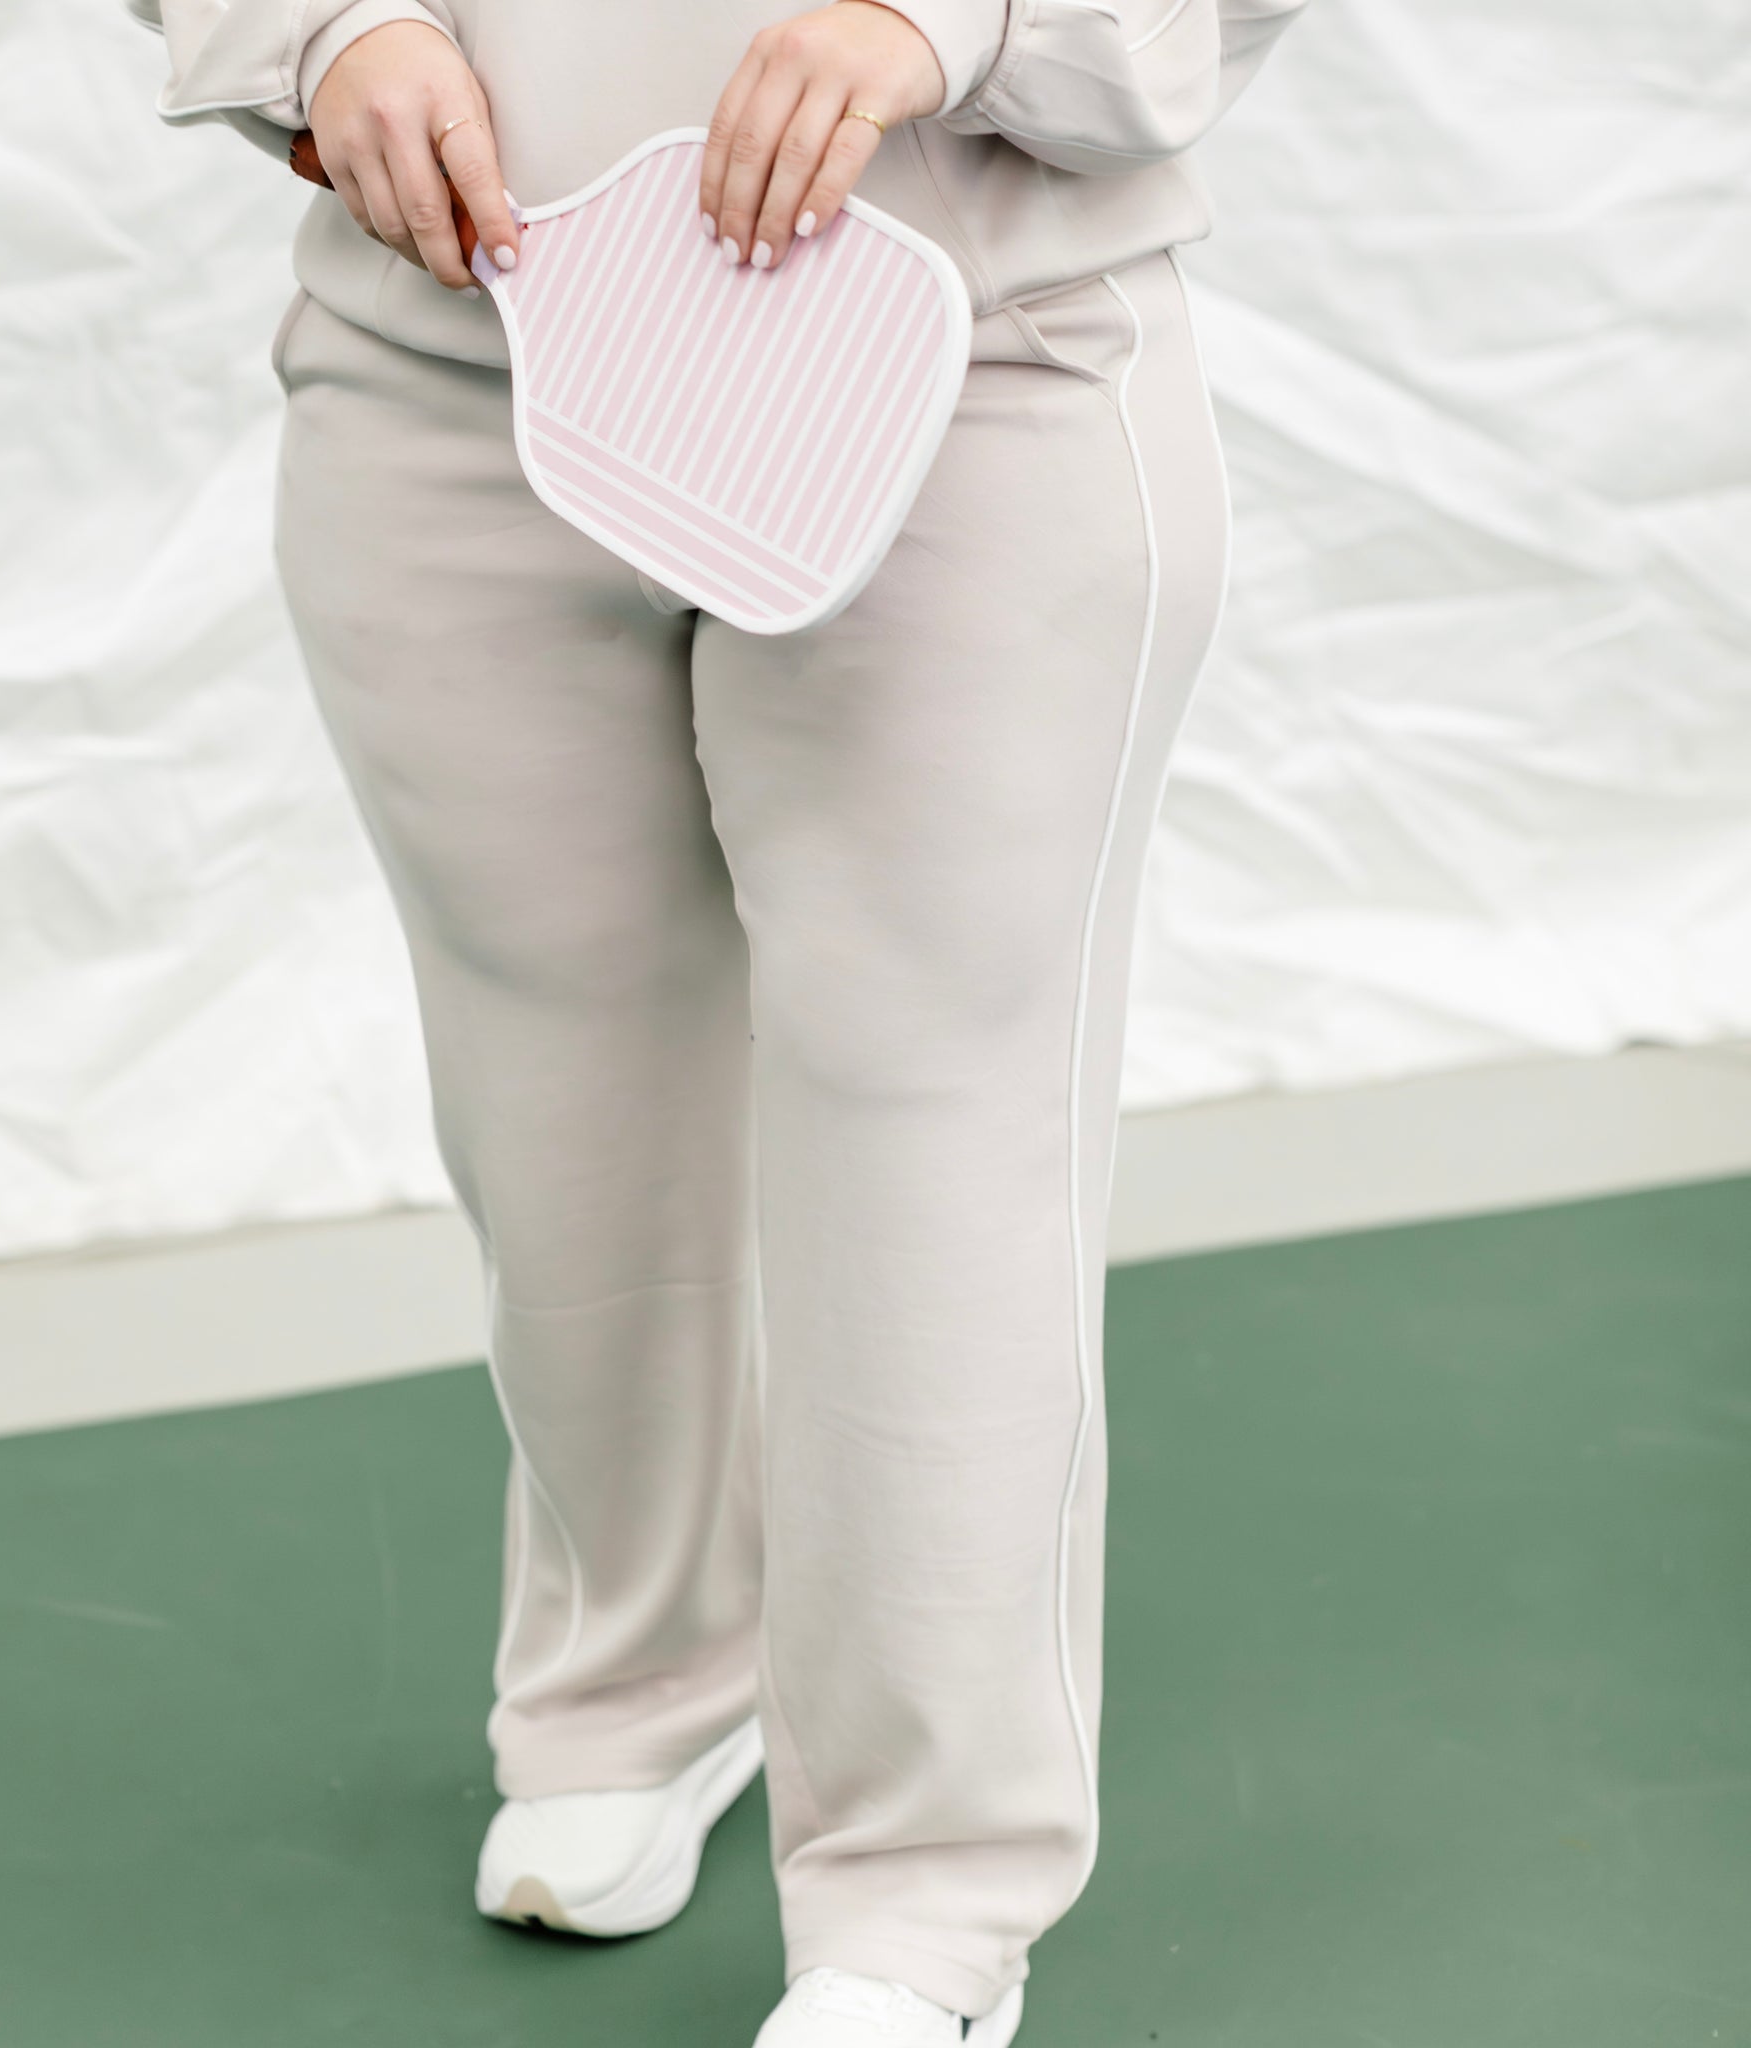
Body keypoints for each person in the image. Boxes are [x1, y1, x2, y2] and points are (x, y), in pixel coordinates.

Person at [128, 3, 1305, 2041]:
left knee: (932, 1132)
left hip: (972, 374)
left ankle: (922, 1904)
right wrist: (324, 29)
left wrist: (950, 22)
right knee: (553, 1099)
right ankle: (637, 1690)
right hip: (445, 371)